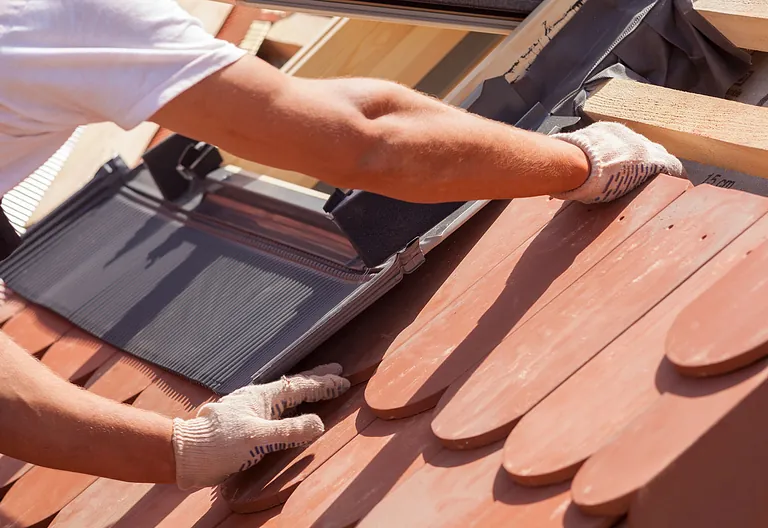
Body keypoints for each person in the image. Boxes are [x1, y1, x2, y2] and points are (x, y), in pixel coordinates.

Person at [0, 0, 685, 491]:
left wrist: (179, 451)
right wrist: (578, 162)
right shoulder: (60, 16)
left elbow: (323, 110)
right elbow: (361, 145)